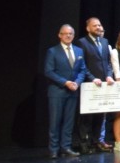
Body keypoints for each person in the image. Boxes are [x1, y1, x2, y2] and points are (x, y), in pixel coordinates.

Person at [45, 24, 88, 158]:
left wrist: (77, 83)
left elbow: (83, 70)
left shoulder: (79, 51)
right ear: (60, 35)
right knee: (55, 122)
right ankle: (53, 149)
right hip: (57, 92)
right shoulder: (53, 51)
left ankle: (66, 147)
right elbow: (49, 71)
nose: (68, 36)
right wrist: (65, 82)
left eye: (70, 34)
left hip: (73, 91)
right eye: (65, 33)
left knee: (69, 122)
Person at [75, 17, 114, 153]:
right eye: (94, 25)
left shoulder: (104, 41)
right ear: (88, 28)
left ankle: (96, 141)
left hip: (103, 84)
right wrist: (92, 78)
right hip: (89, 84)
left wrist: (109, 75)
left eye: (99, 25)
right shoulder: (82, 42)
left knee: (100, 116)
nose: (98, 27)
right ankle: (84, 143)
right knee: (86, 117)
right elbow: (82, 65)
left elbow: (108, 63)